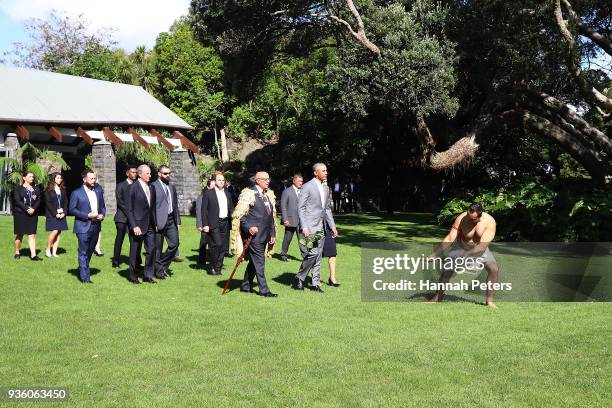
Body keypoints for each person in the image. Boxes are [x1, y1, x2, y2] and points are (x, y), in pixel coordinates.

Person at [428, 202, 499, 308]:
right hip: (461, 246)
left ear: (480, 214)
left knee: (493, 269)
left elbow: (482, 247)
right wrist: (435, 254)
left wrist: (465, 255)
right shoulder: (462, 218)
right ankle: (437, 297)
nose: (469, 220)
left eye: (473, 219)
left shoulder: (489, 222)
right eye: (468, 216)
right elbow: (450, 237)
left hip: (479, 248)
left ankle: (489, 302)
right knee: (447, 271)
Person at [232, 171, 277, 297]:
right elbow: (240, 216)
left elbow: (271, 217)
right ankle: (264, 290)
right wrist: (248, 227)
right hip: (254, 236)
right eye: (265, 179)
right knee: (260, 262)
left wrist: (272, 233)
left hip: (265, 234)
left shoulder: (268, 194)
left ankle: (245, 285)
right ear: (257, 180)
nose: (268, 181)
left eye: (269, 179)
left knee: (254, 261)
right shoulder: (248, 194)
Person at [293, 163, 338, 292]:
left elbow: (327, 209)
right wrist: (305, 226)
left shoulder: (325, 188)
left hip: (321, 227)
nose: (326, 172)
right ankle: (300, 277)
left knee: (318, 255)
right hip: (309, 226)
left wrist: (333, 226)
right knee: (313, 253)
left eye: (326, 170)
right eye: (323, 171)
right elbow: (301, 208)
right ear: (315, 172)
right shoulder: (307, 186)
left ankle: (315, 284)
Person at [68, 169, 106, 283]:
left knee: (89, 251)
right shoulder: (76, 193)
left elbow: (103, 206)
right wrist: (87, 215)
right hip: (82, 226)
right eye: (91, 178)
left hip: (96, 225)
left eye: (95, 178)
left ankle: (83, 268)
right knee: (83, 251)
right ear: (84, 179)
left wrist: (102, 215)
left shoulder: (98, 191)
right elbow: (72, 209)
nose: (94, 180)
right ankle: (85, 278)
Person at [126, 164, 156, 284]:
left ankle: (148, 275)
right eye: (147, 173)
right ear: (140, 174)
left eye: (150, 173)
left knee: (152, 249)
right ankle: (133, 275)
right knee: (135, 251)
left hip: (150, 225)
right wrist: (134, 225)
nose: (150, 175)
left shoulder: (151, 188)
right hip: (137, 225)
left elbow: (151, 208)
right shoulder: (132, 188)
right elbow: (129, 209)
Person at [201, 171, 234, 275]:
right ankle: (212, 266)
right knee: (216, 244)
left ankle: (218, 268)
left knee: (223, 247)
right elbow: (203, 210)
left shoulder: (227, 193)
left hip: (225, 222)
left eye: (223, 180)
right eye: (219, 180)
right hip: (214, 222)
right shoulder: (208, 193)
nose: (221, 182)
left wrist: (235, 217)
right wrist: (205, 224)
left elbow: (231, 207)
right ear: (215, 181)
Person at [151, 165, 181, 279]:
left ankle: (162, 266)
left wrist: (177, 221)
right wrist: (154, 223)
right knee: (157, 248)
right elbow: (151, 207)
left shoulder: (171, 187)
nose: (168, 175)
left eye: (169, 173)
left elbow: (175, 205)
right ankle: (158, 272)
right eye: (165, 173)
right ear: (159, 174)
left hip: (171, 220)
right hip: (158, 221)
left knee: (174, 244)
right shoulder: (153, 186)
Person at [112, 165, 139, 268]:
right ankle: (116, 261)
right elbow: (120, 202)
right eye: (132, 172)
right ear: (127, 173)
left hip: (134, 218)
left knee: (135, 240)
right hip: (122, 218)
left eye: (136, 172)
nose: (135, 174)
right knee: (120, 239)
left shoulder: (138, 186)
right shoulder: (120, 185)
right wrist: (130, 213)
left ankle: (136, 262)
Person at [12, 170, 42, 261]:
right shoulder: (18, 189)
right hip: (20, 214)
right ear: (24, 178)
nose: (32, 178)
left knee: (32, 234)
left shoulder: (36, 189)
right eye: (30, 176)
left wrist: (33, 208)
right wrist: (27, 209)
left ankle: (33, 255)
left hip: (33, 214)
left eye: (33, 177)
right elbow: (17, 201)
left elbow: (39, 199)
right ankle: (17, 252)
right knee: (20, 234)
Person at [279, 174, 305, 262]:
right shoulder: (287, 191)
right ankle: (283, 254)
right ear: (294, 181)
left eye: (302, 181)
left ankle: (305, 255)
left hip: (301, 220)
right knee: (287, 238)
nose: (301, 183)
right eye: (299, 181)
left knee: (302, 238)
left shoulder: (303, 191)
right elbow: (283, 207)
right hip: (290, 220)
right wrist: (285, 219)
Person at [44, 172, 68, 257]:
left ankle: (54, 252)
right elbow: (48, 203)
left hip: (61, 214)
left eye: (60, 178)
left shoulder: (63, 189)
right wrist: (55, 214)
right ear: (53, 179)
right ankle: (48, 249)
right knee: (55, 231)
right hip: (52, 214)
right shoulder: (48, 190)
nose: (59, 179)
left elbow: (65, 202)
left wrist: (64, 213)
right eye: (58, 178)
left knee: (58, 233)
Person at [195, 179, 216, 268]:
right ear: (208, 186)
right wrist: (199, 224)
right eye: (213, 186)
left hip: (214, 223)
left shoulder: (217, 195)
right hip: (205, 223)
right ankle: (201, 261)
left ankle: (214, 262)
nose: (215, 188)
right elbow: (199, 211)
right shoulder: (202, 196)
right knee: (204, 242)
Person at [322, 184, 339, 286]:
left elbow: (328, 211)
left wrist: (333, 227)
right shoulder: (310, 190)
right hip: (315, 227)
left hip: (327, 227)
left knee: (332, 252)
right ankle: (315, 279)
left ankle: (332, 277)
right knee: (316, 254)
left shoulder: (326, 192)